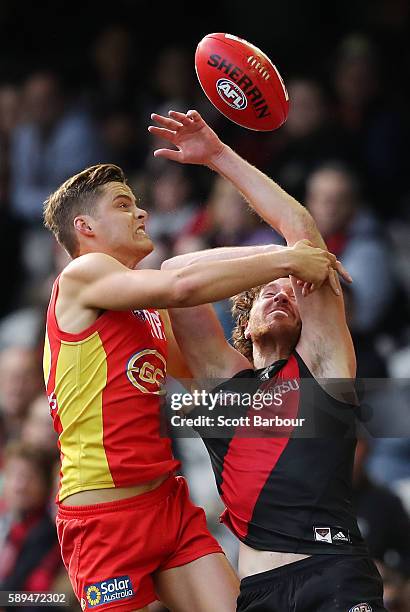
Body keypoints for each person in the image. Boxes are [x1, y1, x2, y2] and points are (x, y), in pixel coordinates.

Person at [42, 158, 345, 612]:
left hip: (167, 502)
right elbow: (182, 283)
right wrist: (285, 257)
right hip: (104, 518)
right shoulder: (81, 276)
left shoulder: (147, 312)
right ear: (84, 227)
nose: (141, 213)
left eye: (138, 204)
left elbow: (212, 373)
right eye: (124, 205)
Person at [155, 109, 387, 611]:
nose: (281, 295)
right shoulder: (218, 382)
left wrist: (218, 155)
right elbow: (175, 271)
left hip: (336, 573)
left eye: (291, 293)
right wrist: (279, 262)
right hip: (258, 593)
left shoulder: (322, 366)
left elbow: (300, 230)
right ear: (244, 316)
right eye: (266, 293)